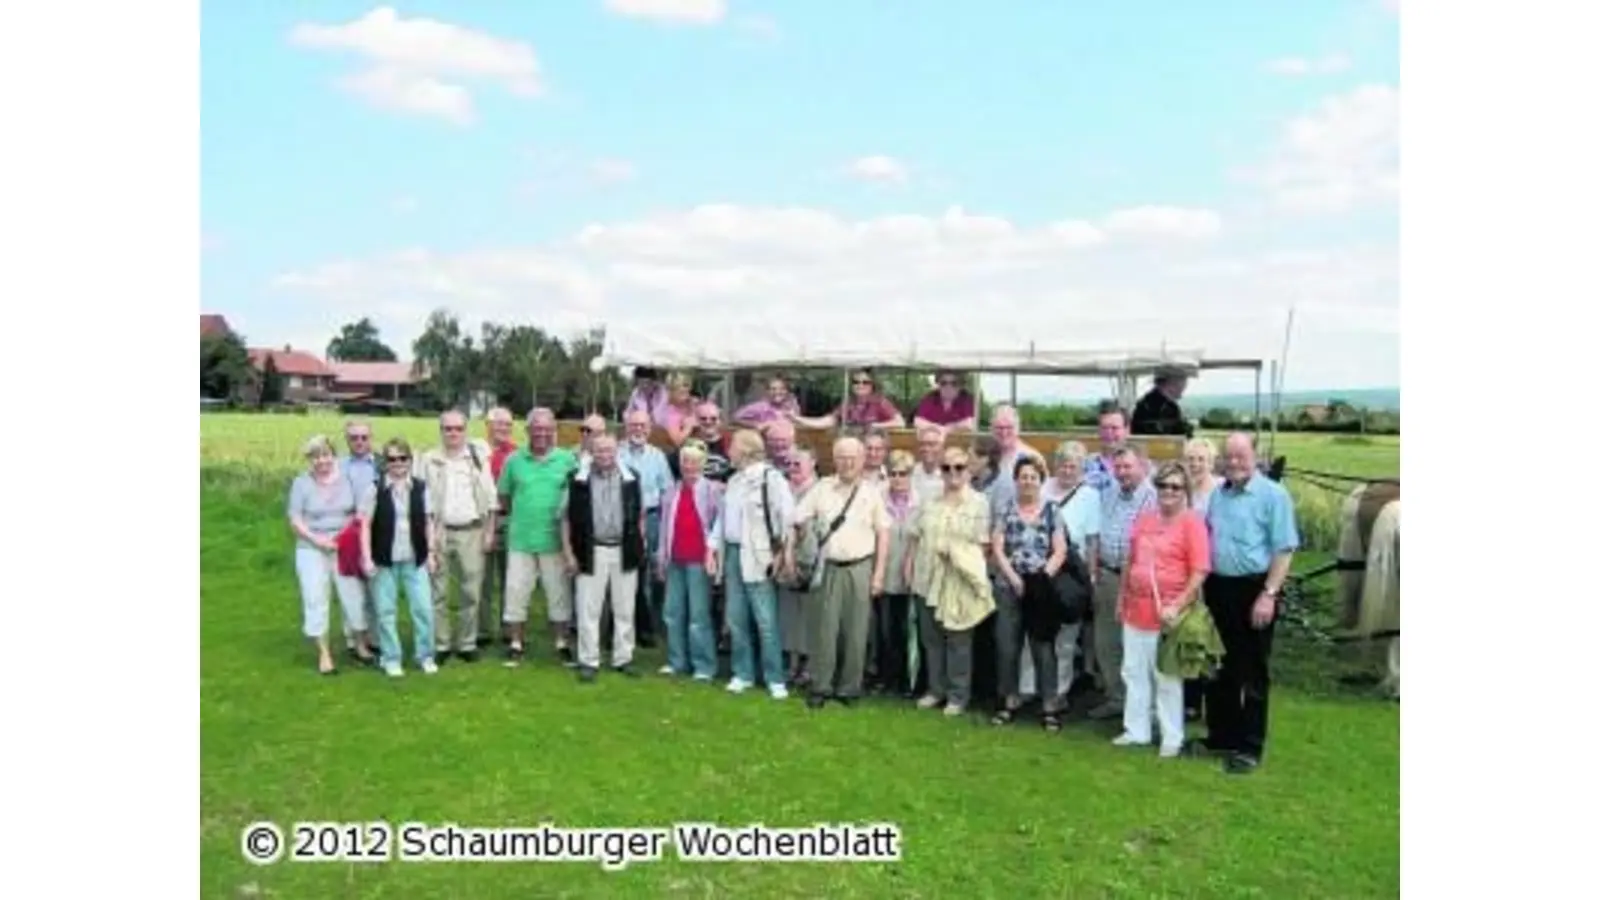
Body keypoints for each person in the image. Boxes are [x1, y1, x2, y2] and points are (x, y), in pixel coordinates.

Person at [1200, 433, 1299, 775]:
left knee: (1252, 671)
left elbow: (1284, 549)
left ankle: (1250, 746)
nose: (1234, 462)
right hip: (1219, 588)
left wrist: (1268, 594)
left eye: (1241, 456)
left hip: (1255, 589)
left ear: (1256, 457)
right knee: (1220, 665)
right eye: (1229, 456)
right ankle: (1221, 736)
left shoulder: (1274, 495)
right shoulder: (1218, 494)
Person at [784, 436, 891, 709]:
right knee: (825, 629)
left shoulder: (871, 492)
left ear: (862, 459)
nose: (847, 462)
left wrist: (878, 574)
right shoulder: (822, 488)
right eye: (841, 456)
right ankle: (821, 686)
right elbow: (797, 519)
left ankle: (849, 689)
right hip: (827, 567)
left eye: (852, 457)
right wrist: (790, 555)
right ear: (834, 459)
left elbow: (883, 533)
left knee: (856, 632)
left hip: (860, 566)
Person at [1115, 463, 1210, 757]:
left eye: (1175, 487)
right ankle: (1137, 729)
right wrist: (1121, 597)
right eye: (1163, 485)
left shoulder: (1193, 523)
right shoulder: (1143, 519)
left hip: (1168, 612)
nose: (1168, 492)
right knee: (1133, 671)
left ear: (1185, 492)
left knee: (1166, 675)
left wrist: (1178, 604)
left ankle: (1172, 735)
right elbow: (1131, 560)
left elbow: (1199, 571)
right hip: (1136, 607)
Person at [903, 446, 994, 716]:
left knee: (958, 641)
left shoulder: (979, 503)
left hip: (958, 583)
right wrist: (908, 568)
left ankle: (958, 695)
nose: (952, 473)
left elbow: (984, 546)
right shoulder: (929, 500)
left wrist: (960, 558)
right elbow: (914, 536)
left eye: (959, 467)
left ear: (969, 471)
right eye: (946, 468)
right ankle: (935, 689)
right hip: (926, 578)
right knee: (931, 640)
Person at [708, 430, 794, 698]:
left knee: (765, 619)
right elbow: (723, 520)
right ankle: (742, 673)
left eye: (732, 446)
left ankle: (774, 677)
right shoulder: (733, 481)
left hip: (759, 555)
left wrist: (783, 553)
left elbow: (787, 519)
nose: (729, 451)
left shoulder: (772, 479)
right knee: (736, 617)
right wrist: (712, 547)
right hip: (732, 553)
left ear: (745, 450)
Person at [988, 456, 1069, 731]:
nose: (1028, 482)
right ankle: (1007, 701)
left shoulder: (1052, 510)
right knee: (1007, 646)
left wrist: (1041, 578)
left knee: (1043, 648)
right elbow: (997, 547)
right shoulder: (1006, 509)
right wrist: (1012, 577)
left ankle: (1050, 706)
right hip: (1008, 586)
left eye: (1033, 477)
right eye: (1023, 476)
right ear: (1016, 480)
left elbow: (1060, 549)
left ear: (1041, 480)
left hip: (1040, 588)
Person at [562, 433, 648, 682]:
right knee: (589, 609)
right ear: (591, 451)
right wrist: (569, 554)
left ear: (617, 451)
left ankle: (624, 658)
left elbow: (639, 514)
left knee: (624, 609)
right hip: (591, 549)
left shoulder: (631, 478)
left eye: (609, 450)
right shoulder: (577, 479)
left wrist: (641, 547)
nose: (604, 455)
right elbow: (565, 518)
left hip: (624, 548)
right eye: (599, 450)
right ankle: (588, 660)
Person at [497, 408, 580, 668]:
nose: (541, 433)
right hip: (521, 538)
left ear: (553, 431)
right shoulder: (514, 460)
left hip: (555, 540)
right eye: (536, 428)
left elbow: (576, 498)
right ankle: (516, 644)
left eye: (547, 429)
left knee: (558, 594)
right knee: (516, 593)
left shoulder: (567, 461)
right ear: (528, 431)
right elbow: (505, 497)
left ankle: (562, 643)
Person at [418, 410, 498, 663]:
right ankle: (441, 644)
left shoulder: (476, 459)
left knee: (470, 591)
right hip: (439, 531)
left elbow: (491, 500)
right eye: (448, 429)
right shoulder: (428, 460)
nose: (453, 433)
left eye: (458, 429)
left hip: (472, 531)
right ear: (440, 431)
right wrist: (427, 539)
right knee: (437, 591)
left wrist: (489, 533)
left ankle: (466, 643)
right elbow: (421, 502)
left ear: (466, 431)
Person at [287, 435, 371, 674]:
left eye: (325, 455)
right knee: (315, 598)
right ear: (309, 460)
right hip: (311, 548)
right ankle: (324, 654)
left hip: (343, 546)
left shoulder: (348, 480)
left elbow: (359, 513)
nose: (321, 461)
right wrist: (317, 539)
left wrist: (342, 538)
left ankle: (360, 644)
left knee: (353, 596)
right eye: (315, 457)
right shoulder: (301, 483)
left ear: (334, 456)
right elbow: (295, 518)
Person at [358, 438, 439, 678]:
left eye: (402, 458)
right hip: (384, 559)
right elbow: (365, 525)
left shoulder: (421, 488)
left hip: (415, 558)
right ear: (385, 463)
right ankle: (390, 658)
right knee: (386, 611)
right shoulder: (374, 489)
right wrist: (366, 557)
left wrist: (432, 553)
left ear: (410, 461)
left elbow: (428, 522)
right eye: (392, 459)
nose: (398, 464)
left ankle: (425, 655)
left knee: (423, 608)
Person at [1088, 444, 1156, 720]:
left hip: (1139, 583)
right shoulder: (1109, 494)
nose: (1122, 473)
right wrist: (1093, 573)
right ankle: (1116, 698)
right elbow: (1095, 535)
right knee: (1106, 644)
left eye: (1128, 466)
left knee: (1138, 647)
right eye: (1118, 467)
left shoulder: (1153, 498)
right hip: (1108, 576)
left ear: (1142, 466)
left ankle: (1141, 708)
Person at [655, 441, 722, 681]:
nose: (690, 466)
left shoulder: (713, 491)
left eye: (695, 462)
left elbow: (718, 526)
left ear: (702, 465)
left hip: (699, 561)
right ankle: (677, 661)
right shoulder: (671, 491)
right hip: (675, 559)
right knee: (672, 613)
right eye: (686, 461)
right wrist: (661, 558)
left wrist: (713, 556)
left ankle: (704, 666)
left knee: (698, 616)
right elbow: (664, 527)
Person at [619, 408, 674, 649]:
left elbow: (667, 493)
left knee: (652, 574)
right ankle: (623, 626)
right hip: (622, 520)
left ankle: (649, 627)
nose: (638, 429)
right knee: (623, 574)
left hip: (651, 519)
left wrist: (662, 527)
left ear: (650, 429)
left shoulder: (657, 456)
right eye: (634, 425)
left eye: (643, 425)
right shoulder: (617, 454)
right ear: (626, 427)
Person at [872, 450, 921, 697]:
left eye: (903, 474)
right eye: (893, 474)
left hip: (910, 578)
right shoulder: (877, 500)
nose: (898, 479)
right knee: (883, 631)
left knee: (906, 631)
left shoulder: (921, 503)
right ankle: (884, 677)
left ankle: (906, 680)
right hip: (884, 575)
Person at [337, 419, 380, 661]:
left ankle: (374, 638)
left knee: (377, 586)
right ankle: (353, 639)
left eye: (364, 437)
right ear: (347, 440)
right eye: (354, 437)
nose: (360, 442)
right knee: (352, 588)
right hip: (348, 532)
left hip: (376, 531)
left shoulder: (382, 463)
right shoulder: (338, 467)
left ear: (371, 438)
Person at [778, 448, 819, 687]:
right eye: (790, 464)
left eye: (798, 464)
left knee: (808, 615)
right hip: (784, 558)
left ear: (813, 464)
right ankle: (790, 664)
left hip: (810, 559)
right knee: (788, 614)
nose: (793, 468)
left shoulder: (819, 490)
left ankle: (808, 666)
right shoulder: (783, 489)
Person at [479, 407, 519, 649]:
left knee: (509, 577)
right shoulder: (477, 452)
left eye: (508, 424)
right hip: (482, 520)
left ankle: (508, 627)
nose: (503, 429)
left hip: (508, 519)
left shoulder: (516, 454)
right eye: (499, 424)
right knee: (482, 578)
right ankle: (482, 629)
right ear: (488, 425)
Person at [789, 368, 905, 430]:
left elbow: (900, 422)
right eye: (856, 382)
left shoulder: (880, 402)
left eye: (865, 382)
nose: (860, 385)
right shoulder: (848, 404)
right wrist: (798, 419)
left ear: (872, 385)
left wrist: (875, 426)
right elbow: (829, 421)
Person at [1131, 367, 1192, 437]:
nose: (1183, 388)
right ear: (1171, 383)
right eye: (1182, 384)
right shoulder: (1168, 408)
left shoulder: (1143, 404)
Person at [912, 370, 977, 432]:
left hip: (960, 442)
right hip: (933, 440)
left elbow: (970, 423)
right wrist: (938, 428)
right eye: (943, 383)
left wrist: (947, 429)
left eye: (954, 383)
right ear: (938, 383)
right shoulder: (930, 398)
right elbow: (917, 421)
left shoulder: (967, 399)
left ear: (961, 385)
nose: (948, 387)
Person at [734, 374, 801, 427]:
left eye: (782, 389)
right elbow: (736, 417)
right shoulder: (760, 407)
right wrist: (756, 425)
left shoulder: (791, 407)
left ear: (787, 391)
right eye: (773, 389)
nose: (777, 392)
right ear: (767, 391)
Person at [655, 373, 700, 445]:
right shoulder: (669, 413)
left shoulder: (690, 406)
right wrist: (688, 427)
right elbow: (676, 441)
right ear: (671, 391)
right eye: (681, 392)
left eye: (687, 390)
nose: (687, 395)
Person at [909, 425, 947, 502]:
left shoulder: (949, 474)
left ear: (942, 447)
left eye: (931, 444)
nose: (926, 448)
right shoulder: (910, 472)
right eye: (922, 444)